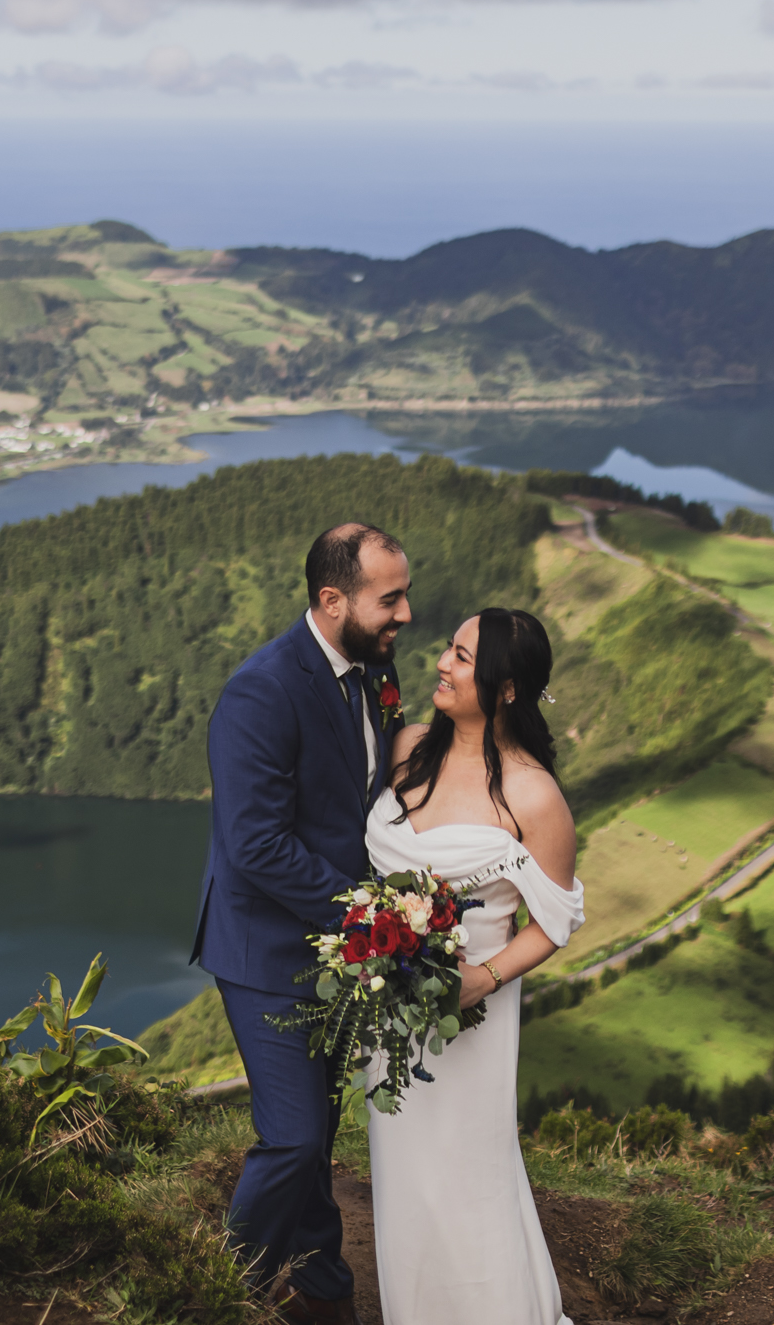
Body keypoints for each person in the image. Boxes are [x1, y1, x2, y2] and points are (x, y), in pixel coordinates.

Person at [193, 522, 412, 1325]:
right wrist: (369, 914)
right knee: (290, 1135)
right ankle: (217, 1292)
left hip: (333, 948)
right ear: (333, 599)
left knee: (316, 1126)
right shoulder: (262, 689)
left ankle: (323, 1290)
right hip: (264, 948)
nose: (406, 613)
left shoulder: (372, 673)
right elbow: (254, 846)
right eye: (391, 597)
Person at [366, 607, 585, 1325]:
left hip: (475, 1012)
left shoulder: (533, 795)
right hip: (391, 1010)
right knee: (403, 1175)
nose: (442, 663)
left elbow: (554, 920)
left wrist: (479, 980)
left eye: (462, 656)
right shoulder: (407, 746)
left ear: (507, 687)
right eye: (449, 649)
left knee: (468, 1170)